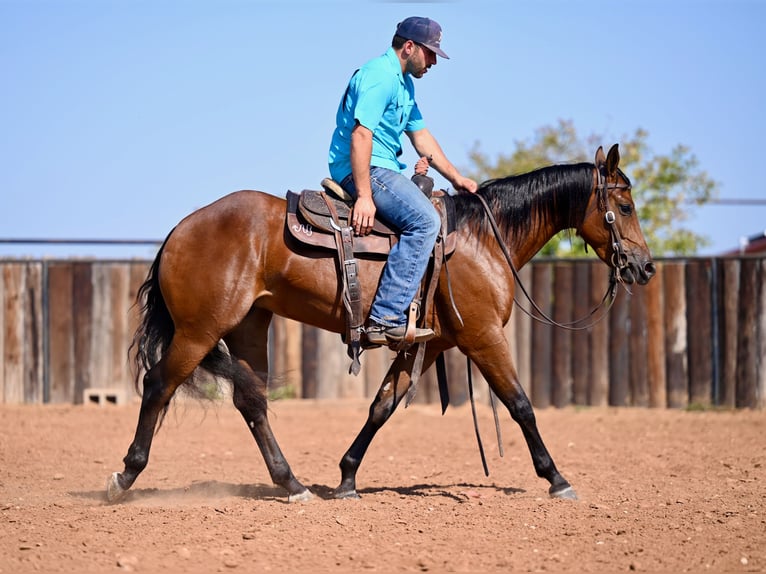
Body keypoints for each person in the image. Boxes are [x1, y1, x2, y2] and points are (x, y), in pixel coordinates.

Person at [328, 16, 478, 347]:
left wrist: (457, 178)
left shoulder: (403, 83)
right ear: (409, 47)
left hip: (382, 168)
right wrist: (364, 195)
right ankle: (384, 319)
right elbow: (361, 135)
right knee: (425, 222)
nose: (435, 61)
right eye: (431, 52)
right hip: (366, 169)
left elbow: (421, 137)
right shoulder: (380, 77)